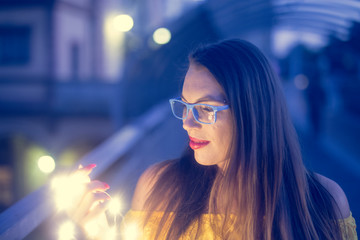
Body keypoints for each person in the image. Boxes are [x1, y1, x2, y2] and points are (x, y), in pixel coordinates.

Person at [71, 39, 357, 239]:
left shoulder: (323, 203)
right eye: (184, 105)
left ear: (252, 112)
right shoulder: (158, 187)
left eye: (205, 109)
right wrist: (99, 233)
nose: (187, 122)